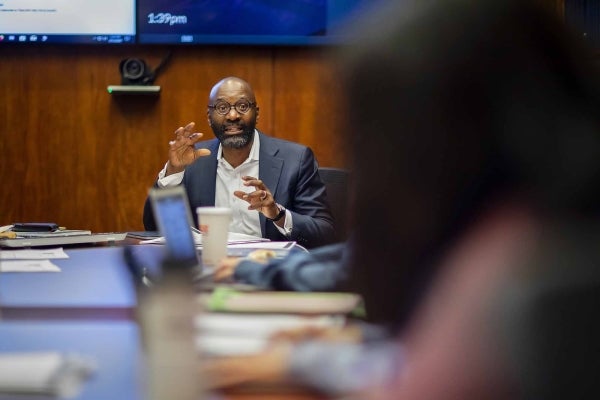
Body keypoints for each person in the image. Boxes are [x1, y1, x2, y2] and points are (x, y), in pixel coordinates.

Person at [201, 0, 600, 398]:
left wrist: (303, 363)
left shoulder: (534, 280)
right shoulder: (502, 231)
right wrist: (319, 356)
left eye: (379, 137)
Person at [142, 76, 335, 249]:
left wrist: (278, 214)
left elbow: (324, 232)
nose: (233, 116)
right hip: (210, 269)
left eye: (242, 106)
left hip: (268, 272)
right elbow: (154, 227)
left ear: (256, 113)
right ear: (209, 117)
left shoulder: (296, 160)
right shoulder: (193, 161)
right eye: (222, 107)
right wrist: (173, 172)